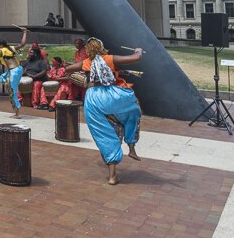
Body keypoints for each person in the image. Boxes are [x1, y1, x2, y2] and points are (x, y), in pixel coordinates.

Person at [63, 37, 143, 185]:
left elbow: (68, 70)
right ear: (101, 47)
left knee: (104, 135)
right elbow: (136, 58)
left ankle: (112, 177)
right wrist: (138, 50)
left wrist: (77, 72)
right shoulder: (110, 58)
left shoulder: (86, 62)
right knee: (133, 112)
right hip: (112, 95)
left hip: (93, 98)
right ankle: (131, 147)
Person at [22, 44, 49, 109]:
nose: (29, 54)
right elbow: (21, 69)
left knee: (36, 84)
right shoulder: (27, 62)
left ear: (36, 54)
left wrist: (34, 76)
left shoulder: (41, 62)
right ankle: (20, 101)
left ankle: (35, 103)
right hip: (28, 79)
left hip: (38, 79)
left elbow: (43, 71)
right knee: (18, 83)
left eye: (31, 53)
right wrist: (23, 73)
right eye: (29, 53)